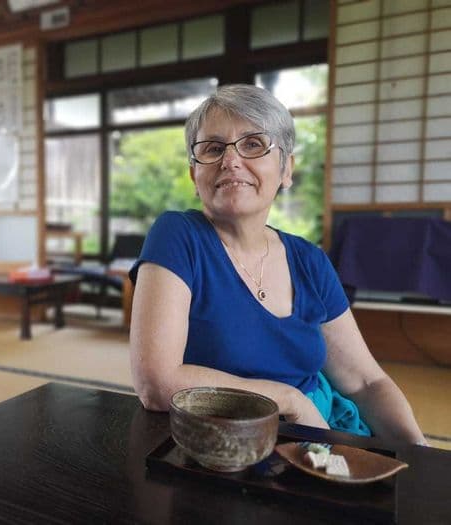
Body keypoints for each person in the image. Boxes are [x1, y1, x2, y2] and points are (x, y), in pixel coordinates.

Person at [129, 84, 426, 444]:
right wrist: (288, 399)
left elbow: (366, 382)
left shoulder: (309, 260)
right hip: (221, 444)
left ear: (286, 169)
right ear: (195, 175)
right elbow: (157, 384)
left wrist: (421, 458)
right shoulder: (178, 235)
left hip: (320, 436)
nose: (231, 159)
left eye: (253, 144)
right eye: (213, 148)